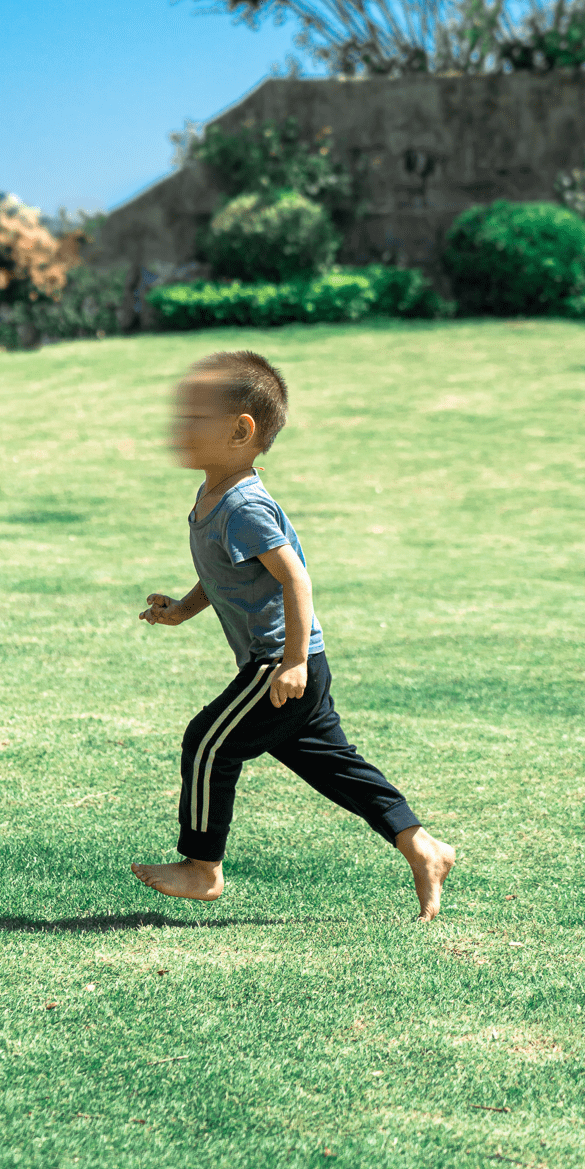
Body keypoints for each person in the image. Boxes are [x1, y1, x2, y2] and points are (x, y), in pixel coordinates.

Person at [130, 348, 454, 920]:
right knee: (339, 769)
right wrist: (183, 608)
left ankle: (203, 868)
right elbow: (225, 573)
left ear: (240, 429)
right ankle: (422, 847)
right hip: (289, 663)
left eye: (193, 418)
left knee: (207, 741)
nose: (178, 429)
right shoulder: (215, 495)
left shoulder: (244, 504)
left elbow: (295, 580)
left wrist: (294, 661)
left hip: (278, 665)